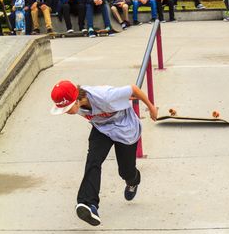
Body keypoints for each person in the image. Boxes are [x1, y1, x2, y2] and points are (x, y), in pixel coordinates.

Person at [50, 80, 158, 226]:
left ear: (76, 100)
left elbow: (133, 89)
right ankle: (88, 204)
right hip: (102, 129)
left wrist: (151, 107)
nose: (67, 112)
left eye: (68, 108)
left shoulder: (105, 96)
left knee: (126, 172)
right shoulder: (77, 103)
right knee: (93, 161)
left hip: (125, 128)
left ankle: (134, 180)